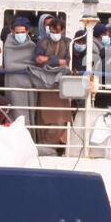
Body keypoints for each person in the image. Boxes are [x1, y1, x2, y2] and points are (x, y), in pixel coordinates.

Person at [33, 16, 72, 149]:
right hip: (45, 83)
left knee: (62, 118)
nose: (55, 34)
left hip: (61, 85)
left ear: (62, 31)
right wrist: (56, 60)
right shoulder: (42, 42)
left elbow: (66, 61)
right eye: (53, 31)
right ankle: (44, 145)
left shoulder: (67, 43)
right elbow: (38, 59)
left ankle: (52, 146)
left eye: (57, 31)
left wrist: (48, 59)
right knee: (44, 118)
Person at [0, 16, 38, 126]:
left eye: (22, 32)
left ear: (27, 31)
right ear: (12, 31)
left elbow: (35, 64)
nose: (19, 35)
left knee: (30, 114)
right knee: (17, 114)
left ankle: (29, 139)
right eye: (17, 32)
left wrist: (27, 66)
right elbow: (9, 66)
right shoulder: (8, 44)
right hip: (14, 84)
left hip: (29, 85)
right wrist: (28, 67)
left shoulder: (32, 45)